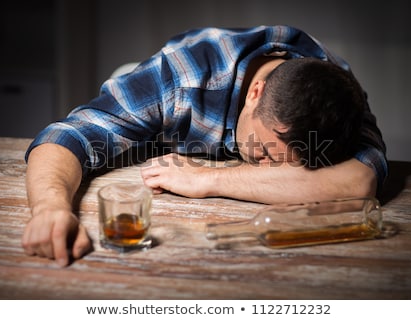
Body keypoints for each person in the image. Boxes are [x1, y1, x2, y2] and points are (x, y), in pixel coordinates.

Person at [22, 25, 387, 267]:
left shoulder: (337, 96)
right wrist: (49, 208)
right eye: (262, 152)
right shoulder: (181, 79)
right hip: (148, 124)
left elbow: (358, 183)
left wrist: (208, 179)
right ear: (256, 93)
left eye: (286, 165)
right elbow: (67, 136)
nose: (266, 168)